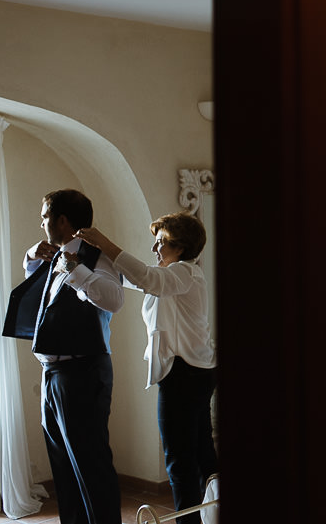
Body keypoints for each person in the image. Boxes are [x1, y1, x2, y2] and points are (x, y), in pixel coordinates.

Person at [77, 212, 217, 524]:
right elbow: (136, 278)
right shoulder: (178, 274)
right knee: (201, 454)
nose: (154, 248)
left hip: (184, 375)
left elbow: (146, 279)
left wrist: (105, 244)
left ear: (179, 246)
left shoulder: (183, 273)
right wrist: (93, 260)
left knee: (179, 460)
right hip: (195, 372)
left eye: (161, 242)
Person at [10, 189, 124, 524]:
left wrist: (73, 266)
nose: (41, 222)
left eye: (45, 216)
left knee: (91, 466)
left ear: (62, 220)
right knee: (63, 466)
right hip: (54, 374)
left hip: (82, 373)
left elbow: (113, 299)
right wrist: (32, 254)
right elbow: (38, 283)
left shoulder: (96, 256)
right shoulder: (56, 255)